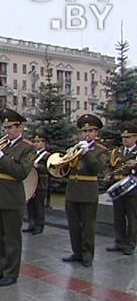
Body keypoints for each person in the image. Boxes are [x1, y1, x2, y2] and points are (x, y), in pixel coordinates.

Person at [0, 109, 36, 286]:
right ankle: (0, 268)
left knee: (12, 238)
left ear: (20, 127)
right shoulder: (3, 145)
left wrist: (1, 156)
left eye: (11, 127)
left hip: (12, 198)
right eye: (5, 127)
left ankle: (11, 272)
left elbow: (20, 172)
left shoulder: (27, 148)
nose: (7, 131)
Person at [62, 114, 108, 267]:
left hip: (88, 192)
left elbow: (98, 169)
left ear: (96, 133)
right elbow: (66, 170)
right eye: (84, 131)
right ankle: (76, 252)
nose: (87, 134)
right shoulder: (75, 148)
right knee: (73, 224)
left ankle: (87, 254)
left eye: (90, 131)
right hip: (73, 191)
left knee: (88, 226)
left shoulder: (101, 150)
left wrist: (86, 152)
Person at [106, 121, 137, 256]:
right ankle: (119, 242)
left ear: (135, 137)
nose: (125, 140)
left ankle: (130, 243)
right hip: (118, 188)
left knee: (132, 217)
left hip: (133, 189)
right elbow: (110, 166)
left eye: (128, 137)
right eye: (123, 137)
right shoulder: (116, 152)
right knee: (118, 216)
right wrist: (108, 175)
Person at [23, 129, 50, 235]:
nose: (36, 144)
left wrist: (38, 166)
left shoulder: (47, 155)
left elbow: (49, 169)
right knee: (31, 205)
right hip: (31, 182)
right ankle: (31, 223)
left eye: (39, 142)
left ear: (44, 143)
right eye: (35, 141)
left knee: (39, 205)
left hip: (41, 183)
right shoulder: (33, 154)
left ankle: (39, 225)